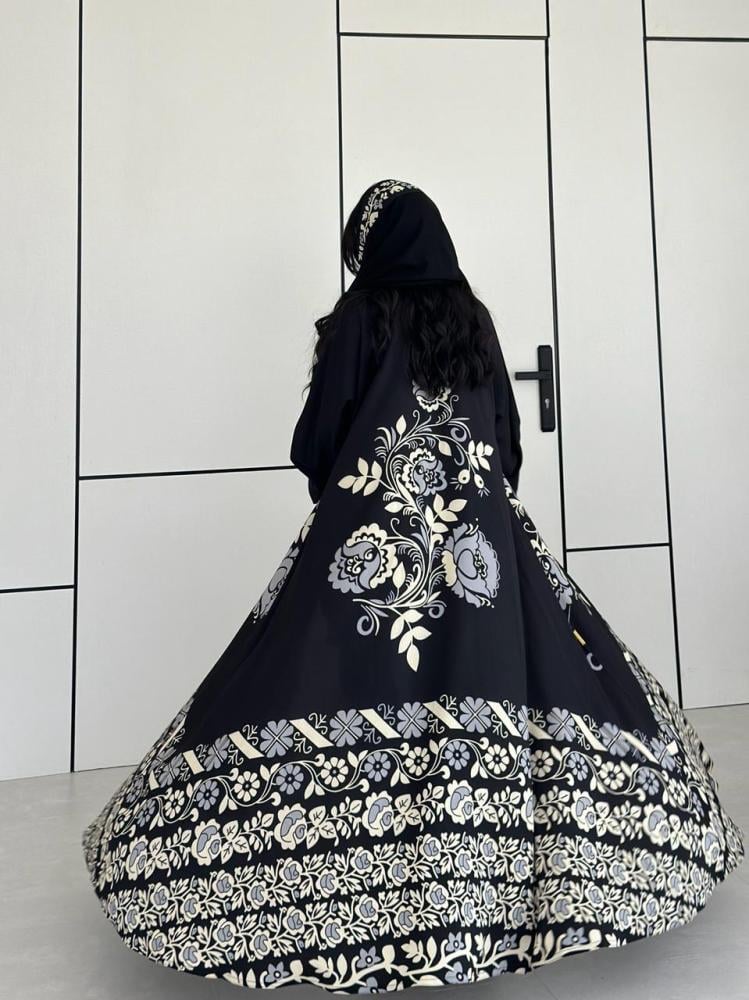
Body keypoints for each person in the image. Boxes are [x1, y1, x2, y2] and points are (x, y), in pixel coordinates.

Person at [82, 178, 744, 993]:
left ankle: (329, 897)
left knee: (307, 683)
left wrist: (358, 495)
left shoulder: (358, 319)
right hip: (482, 546)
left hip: (365, 540)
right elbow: (505, 443)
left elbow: (317, 443)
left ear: (368, 247)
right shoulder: (474, 320)